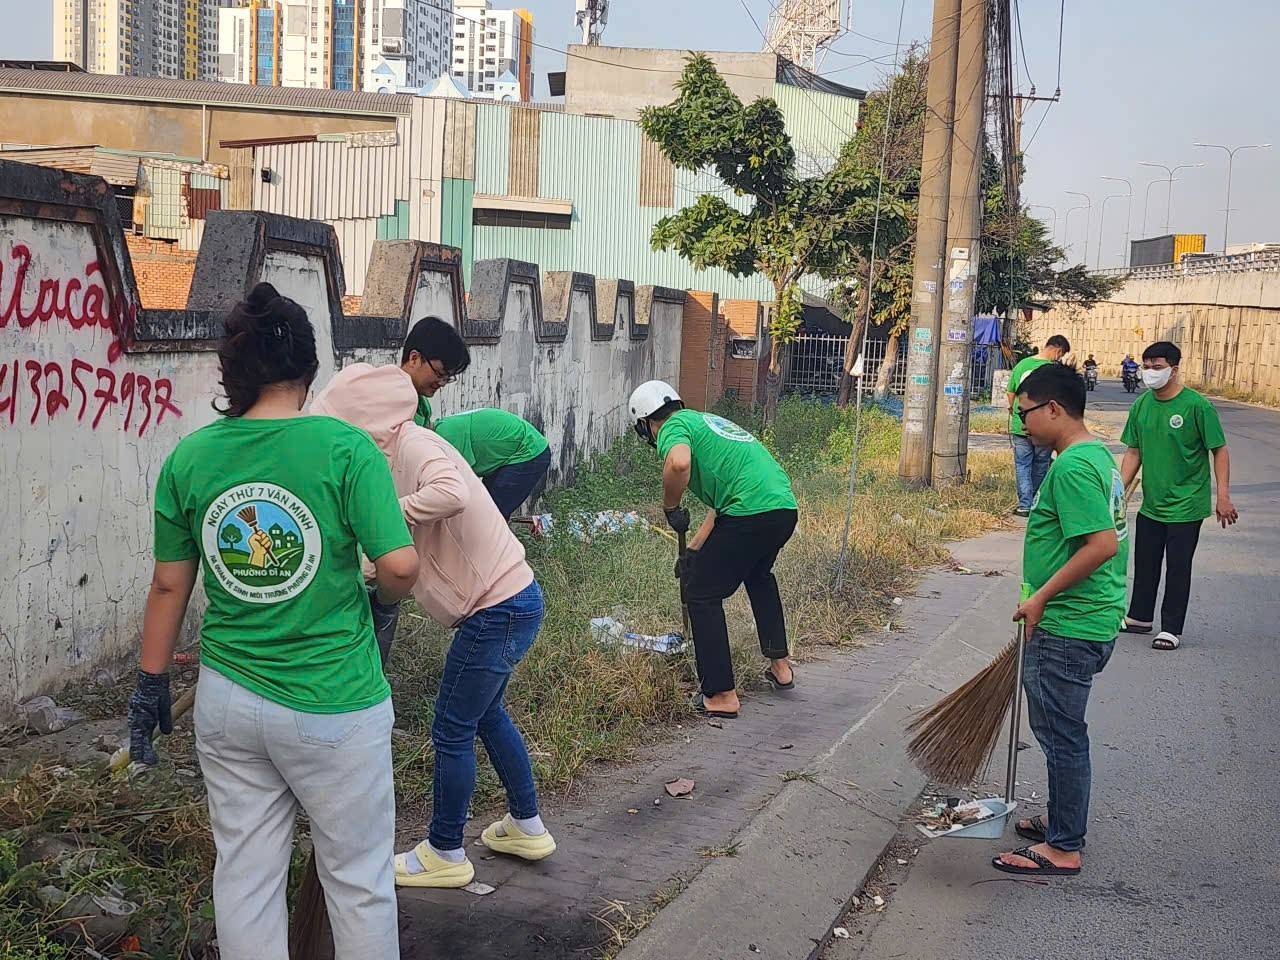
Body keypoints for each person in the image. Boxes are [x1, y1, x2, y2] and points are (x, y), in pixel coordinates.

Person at [128, 283, 420, 958]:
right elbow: (400, 566)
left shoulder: (191, 457)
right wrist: (381, 602)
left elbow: (170, 585)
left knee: (247, 875)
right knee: (358, 881)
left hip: (229, 701)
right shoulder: (346, 449)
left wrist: (148, 687)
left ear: (233, 372)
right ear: (309, 368)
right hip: (333, 702)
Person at [310, 362, 556, 889]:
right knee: (487, 715)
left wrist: (386, 514)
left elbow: (453, 493)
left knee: (450, 726)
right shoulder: (385, 459)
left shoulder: (417, 445)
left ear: (363, 421)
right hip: (511, 602)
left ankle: (445, 850)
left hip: (498, 607)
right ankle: (526, 824)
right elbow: (393, 553)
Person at [994, 362, 1127, 878]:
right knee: (1062, 730)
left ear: (1053, 408)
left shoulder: (1071, 467)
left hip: (1069, 624)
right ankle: (1061, 818)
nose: (1020, 422)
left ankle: (1064, 846)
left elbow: (1102, 544)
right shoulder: (1096, 456)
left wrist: (1042, 596)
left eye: (1024, 412)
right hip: (1090, 617)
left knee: (1062, 734)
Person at [628, 381, 798, 719]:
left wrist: (670, 506)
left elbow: (678, 464)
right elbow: (723, 505)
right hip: (781, 508)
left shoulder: (673, 427)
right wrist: (693, 550)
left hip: (749, 513)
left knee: (701, 592)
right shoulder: (704, 422)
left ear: (646, 422)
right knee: (758, 576)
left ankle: (720, 693)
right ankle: (781, 666)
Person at [1119, 341, 1236, 650]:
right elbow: (1133, 451)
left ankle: (1170, 628)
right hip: (1152, 503)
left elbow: (1219, 450)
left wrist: (1222, 496)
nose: (1150, 373)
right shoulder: (1142, 405)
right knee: (1145, 563)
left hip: (1187, 503)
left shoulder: (1197, 406)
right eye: (1146, 367)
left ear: (1174, 369)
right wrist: (1117, 492)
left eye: (1157, 367)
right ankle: (1140, 617)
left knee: (1178, 566)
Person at [434, 408, 552, 519]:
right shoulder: (440, 429)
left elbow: (456, 488)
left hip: (528, 452)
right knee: (483, 507)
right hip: (507, 451)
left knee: (492, 514)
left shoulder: (445, 439)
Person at [1007, 334, 1071, 516]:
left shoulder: (1022, 365)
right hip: (1045, 427)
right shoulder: (1053, 371)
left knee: (1022, 464)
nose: (1059, 358)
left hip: (1021, 424)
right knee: (1041, 464)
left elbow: (1010, 392)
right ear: (1058, 350)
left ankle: (1024, 505)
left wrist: (1014, 410)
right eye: (1061, 355)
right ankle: (1036, 502)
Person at [400, 316, 471, 429]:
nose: (441, 383)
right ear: (414, 358)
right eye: (439, 374)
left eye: (447, 378)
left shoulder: (422, 406)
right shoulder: (390, 398)